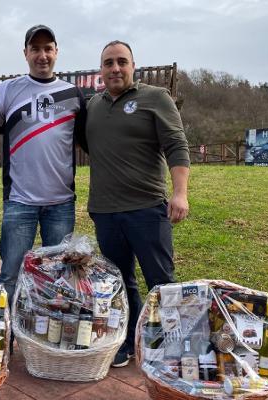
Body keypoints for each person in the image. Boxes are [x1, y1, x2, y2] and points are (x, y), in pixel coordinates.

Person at [82, 41, 190, 367]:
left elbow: (176, 145)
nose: (115, 68)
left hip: (147, 209)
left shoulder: (156, 98)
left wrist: (180, 192)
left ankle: (173, 348)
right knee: (120, 282)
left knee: (161, 281)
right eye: (108, 63)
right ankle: (130, 341)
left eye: (121, 62)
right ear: (101, 70)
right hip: (105, 211)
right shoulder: (93, 106)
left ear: (133, 66)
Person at [0, 25, 86, 305]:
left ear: (56, 52)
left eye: (48, 48)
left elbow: (86, 140)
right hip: (19, 202)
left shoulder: (73, 94)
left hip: (61, 203)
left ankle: (48, 338)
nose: (42, 55)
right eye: (35, 49)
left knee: (61, 277)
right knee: (10, 275)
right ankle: (5, 340)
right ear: (25, 53)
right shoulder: (8, 90)